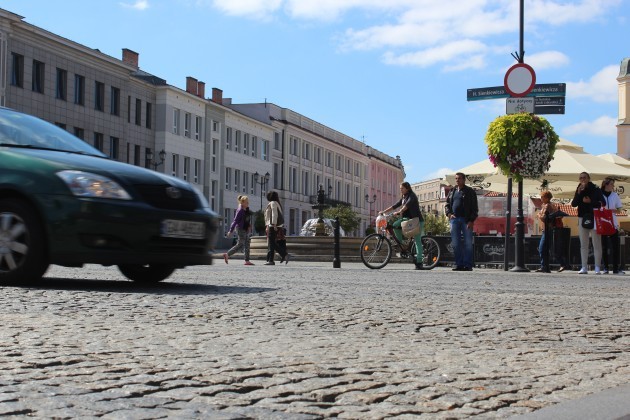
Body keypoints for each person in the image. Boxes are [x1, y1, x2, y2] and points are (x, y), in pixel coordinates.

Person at [379, 182, 425, 270]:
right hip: (407, 220)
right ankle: (401, 244)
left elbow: (406, 206)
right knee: (395, 225)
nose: (401, 190)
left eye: (402, 188)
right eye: (400, 188)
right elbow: (395, 206)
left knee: (417, 241)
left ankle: (419, 262)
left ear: (407, 188)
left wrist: (399, 212)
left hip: (416, 220)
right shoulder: (404, 197)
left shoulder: (412, 196)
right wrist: (384, 212)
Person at [571, 172, 604, 274]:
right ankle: (584, 267)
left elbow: (602, 203)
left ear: (589, 178)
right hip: (582, 218)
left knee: (596, 243)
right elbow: (573, 204)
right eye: (580, 178)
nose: (582, 179)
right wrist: (578, 193)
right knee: (583, 244)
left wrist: (591, 202)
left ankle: (597, 267)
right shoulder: (579, 188)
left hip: (594, 217)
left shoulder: (596, 188)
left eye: (584, 177)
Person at [445, 172, 478, 271]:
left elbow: (474, 208)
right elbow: (447, 204)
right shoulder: (452, 191)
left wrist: (471, 220)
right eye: (456, 178)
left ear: (464, 180)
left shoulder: (470, 191)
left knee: (468, 243)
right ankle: (458, 264)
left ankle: (467, 265)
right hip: (454, 220)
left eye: (459, 178)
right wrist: (449, 214)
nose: (457, 180)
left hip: (466, 220)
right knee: (455, 243)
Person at [535, 191, 569, 273]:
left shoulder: (547, 206)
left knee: (542, 248)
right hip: (549, 229)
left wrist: (539, 215)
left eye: (542, 197)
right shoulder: (551, 205)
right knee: (550, 248)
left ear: (546, 198)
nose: (541, 198)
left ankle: (545, 266)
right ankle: (561, 264)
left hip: (548, 229)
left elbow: (544, 218)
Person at [600, 178, 624, 275]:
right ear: (606, 184)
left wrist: (612, 211)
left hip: (613, 223)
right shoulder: (599, 194)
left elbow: (619, 209)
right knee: (604, 246)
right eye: (612, 184)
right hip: (602, 222)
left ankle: (615, 268)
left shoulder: (615, 195)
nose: (613, 186)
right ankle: (605, 268)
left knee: (615, 247)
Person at [223, 195, 254, 266]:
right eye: (246, 202)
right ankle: (227, 254)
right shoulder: (240, 210)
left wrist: (249, 225)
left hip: (245, 229)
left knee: (247, 244)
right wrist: (230, 231)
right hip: (240, 229)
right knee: (240, 244)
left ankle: (247, 260)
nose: (248, 203)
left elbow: (246, 220)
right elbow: (235, 221)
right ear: (242, 202)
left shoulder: (246, 209)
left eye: (248, 202)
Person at [264, 190, 289, 265]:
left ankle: (284, 254)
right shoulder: (276, 203)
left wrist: (274, 224)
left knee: (272, 243)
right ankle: (271, 260)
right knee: (272, 243)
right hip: (274, 225)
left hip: (273, 225)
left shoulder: (273, 203)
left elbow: (274, 214)